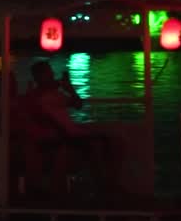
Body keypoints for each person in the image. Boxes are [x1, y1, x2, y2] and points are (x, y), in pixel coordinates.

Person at [16, 61, 121, 196]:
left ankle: (110, 185)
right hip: (62, 135)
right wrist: (56, 85)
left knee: (114, 143)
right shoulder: (35, 96)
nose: (53, 74)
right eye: (48, 72)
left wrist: (70, 88)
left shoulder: (57, 94)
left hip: (72, 133)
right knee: (95, 146)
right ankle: (106, 189)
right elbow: (36, 114)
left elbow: (78, 105)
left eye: (51, 72)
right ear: (39, 76)